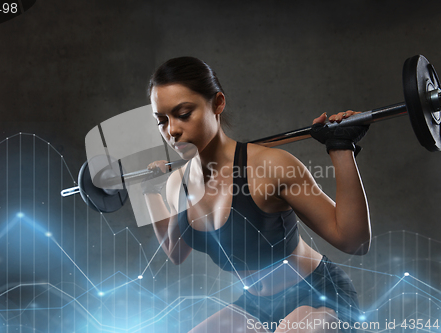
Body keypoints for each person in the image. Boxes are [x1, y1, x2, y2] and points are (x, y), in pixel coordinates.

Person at [142, 56, 371, 333]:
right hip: (255, 305)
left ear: (218, 103)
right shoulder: (176, 183)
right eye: (161, 121)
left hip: (315, 295)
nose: (172, 131)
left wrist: (341, 147)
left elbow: (354, 241)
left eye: (183, 114)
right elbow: (175, 251)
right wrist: (149, 191)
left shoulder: (269, 166)